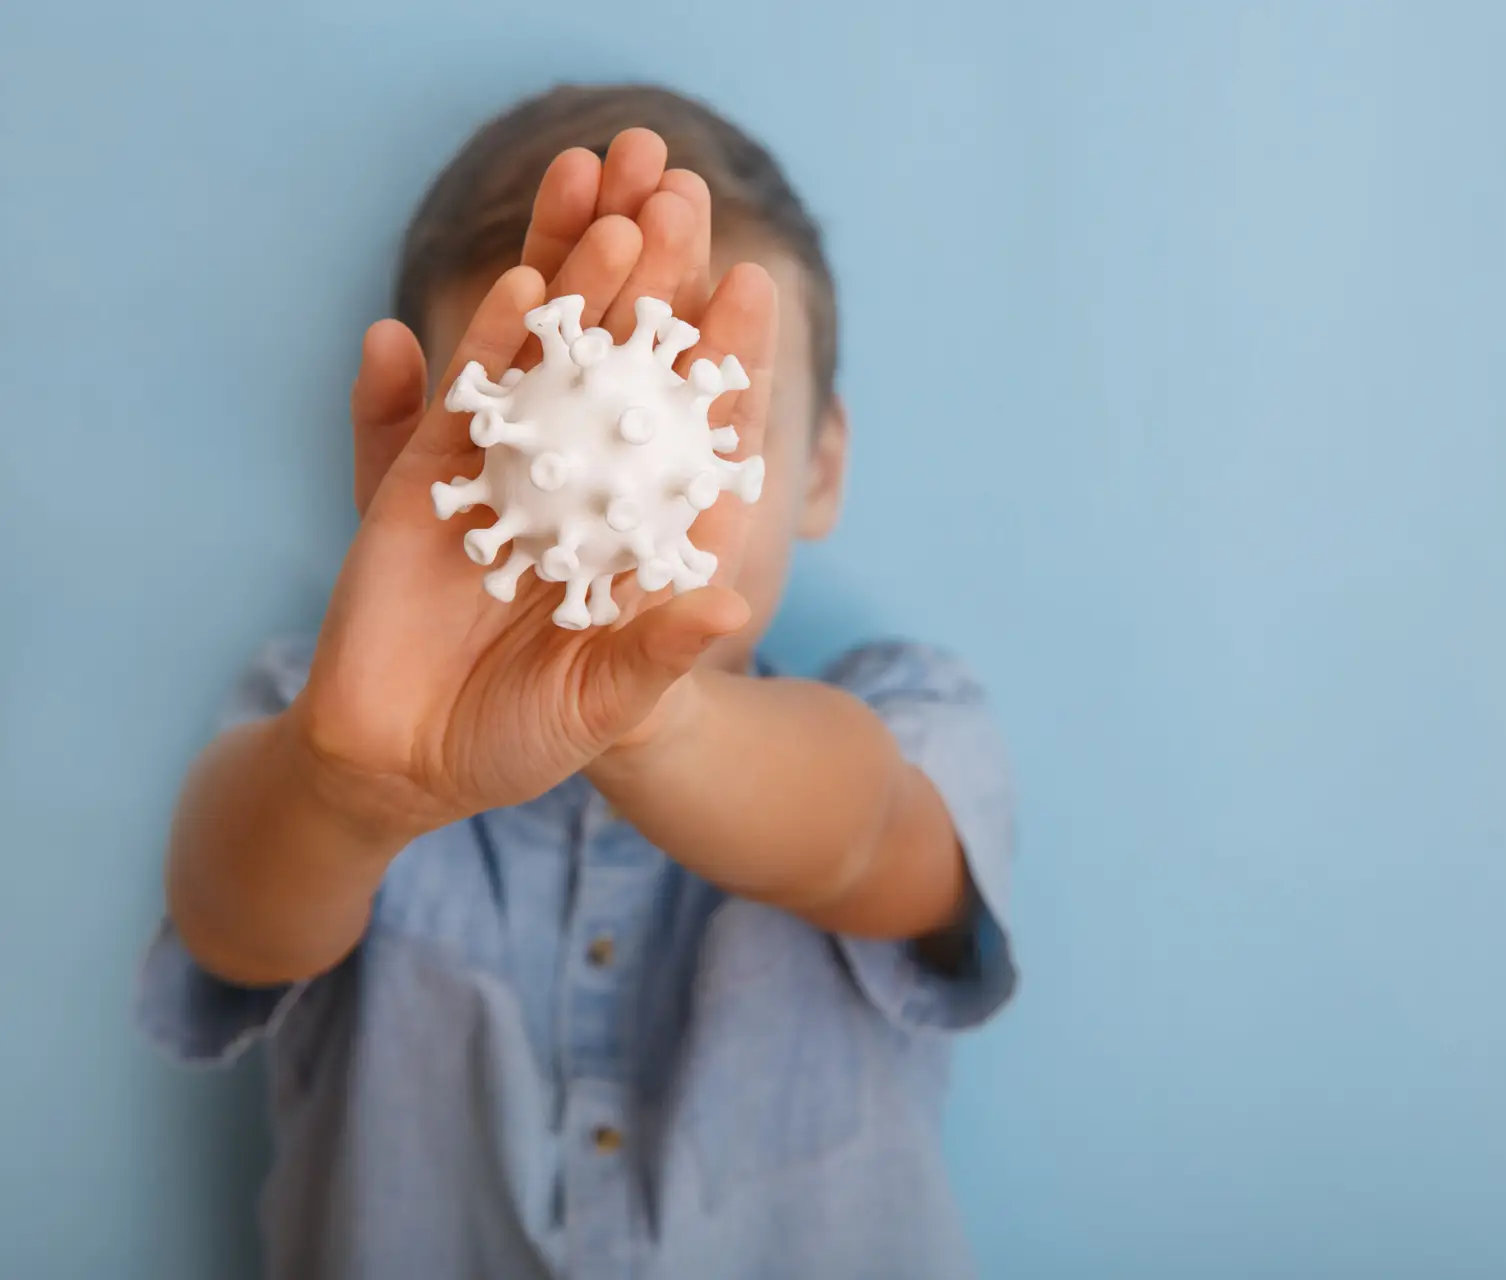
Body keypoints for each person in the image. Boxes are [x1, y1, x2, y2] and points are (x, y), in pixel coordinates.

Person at [136, 83, 1016, 1280]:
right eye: (541, 419)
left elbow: (865, 838)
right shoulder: (329, 713)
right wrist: (349, 786)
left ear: (819, 467)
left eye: (716, 420)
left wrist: (642, 712)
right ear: (426, 470)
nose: (634, 470)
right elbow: (229, 919)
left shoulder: (907, 713)